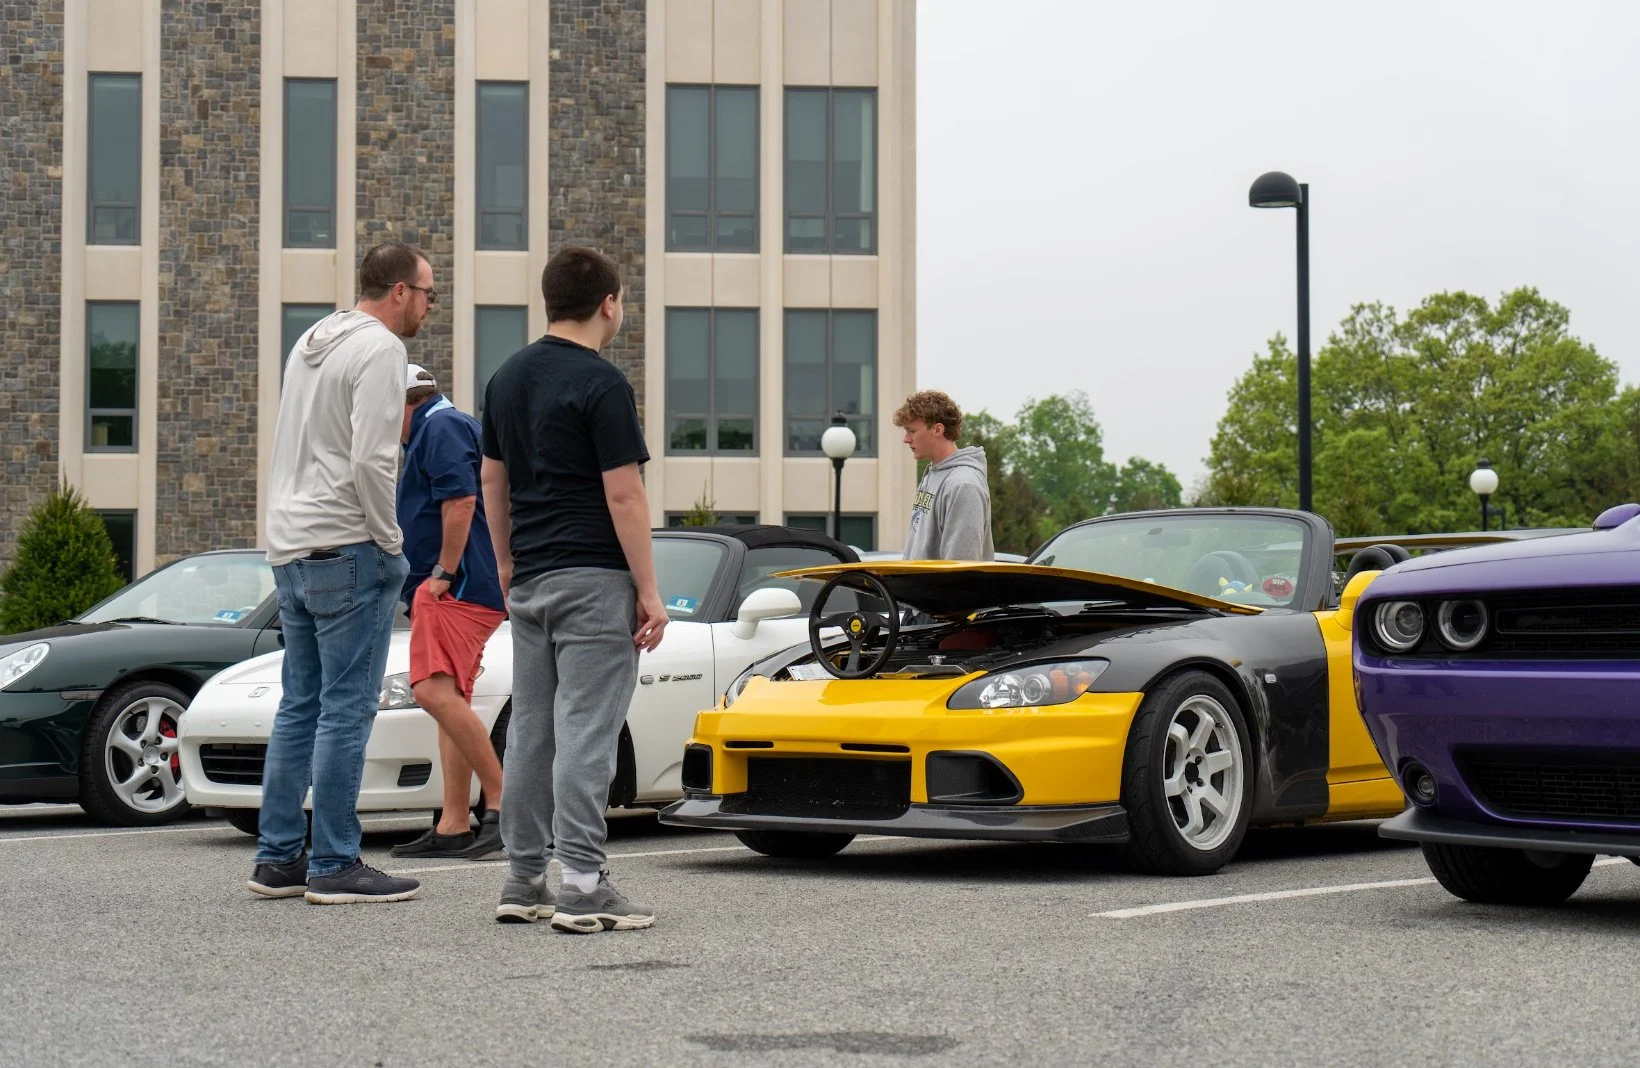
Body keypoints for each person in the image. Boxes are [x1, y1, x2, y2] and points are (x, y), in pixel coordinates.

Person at [481, 246, 667, 932]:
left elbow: (491, 482)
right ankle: (584, 884)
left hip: (530, 577)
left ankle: (523, 879)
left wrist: (504, 562)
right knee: (588, 730)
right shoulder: (603, 383)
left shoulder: (505, 379)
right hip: (594, 577)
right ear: (609, 304)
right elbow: (624, 494)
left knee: (531, 730)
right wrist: (649, 591)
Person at [247, 241, 432, 906]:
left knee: (300, 706)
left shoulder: (310, 342)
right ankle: (334, 862)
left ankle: (276, 859)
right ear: (399, 292)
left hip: (291, 544)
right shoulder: (382, 349)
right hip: (347, 544)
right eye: (427, 294)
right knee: (347, 711)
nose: (429, 308)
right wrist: (391, 544)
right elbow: (372, 459)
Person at [388, 365, 508, 861]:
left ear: (403, 402)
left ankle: (506, 803)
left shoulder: (439, 426)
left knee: (433, 691)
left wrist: (441, 572)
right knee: (450, 698)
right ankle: (454, 823)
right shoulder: (445, 425)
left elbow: (459, 502)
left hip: (454, 588)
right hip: (460, 586)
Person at [895, 390, 995, 561]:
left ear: (937, 429)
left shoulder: (964, 484)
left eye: (912, 431)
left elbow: (961, 567)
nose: (906, 439)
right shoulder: (932, 475)